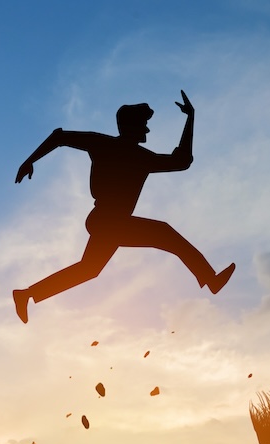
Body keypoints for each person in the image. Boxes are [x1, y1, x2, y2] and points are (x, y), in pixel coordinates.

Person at [12, 90, 235, 323]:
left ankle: (27, 294)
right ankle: (210, 279)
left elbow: (58, 137)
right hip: (108, 220)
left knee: (89, 269)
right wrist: (190, 118)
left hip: (105, 222)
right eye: (144, 125)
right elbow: (182, 161)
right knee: (165, 233)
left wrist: (30, 161)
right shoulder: (123, 151)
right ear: (131, 126)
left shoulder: (118, 149)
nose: (147, 130)